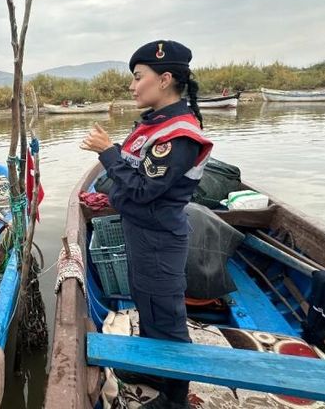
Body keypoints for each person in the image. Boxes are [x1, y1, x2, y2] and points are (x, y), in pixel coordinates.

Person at [80, 40, 212, 409]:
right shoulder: (159, 125)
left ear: (165, 79)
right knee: (149, 307)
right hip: (144, 236)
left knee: (167, 320)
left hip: (158, 241)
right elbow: (139, 174)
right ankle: (157, 372)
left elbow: (142, 189)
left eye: (139, 78)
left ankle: (175, 399)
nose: (133, 86)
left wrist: (107, 152)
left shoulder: (178, 134)